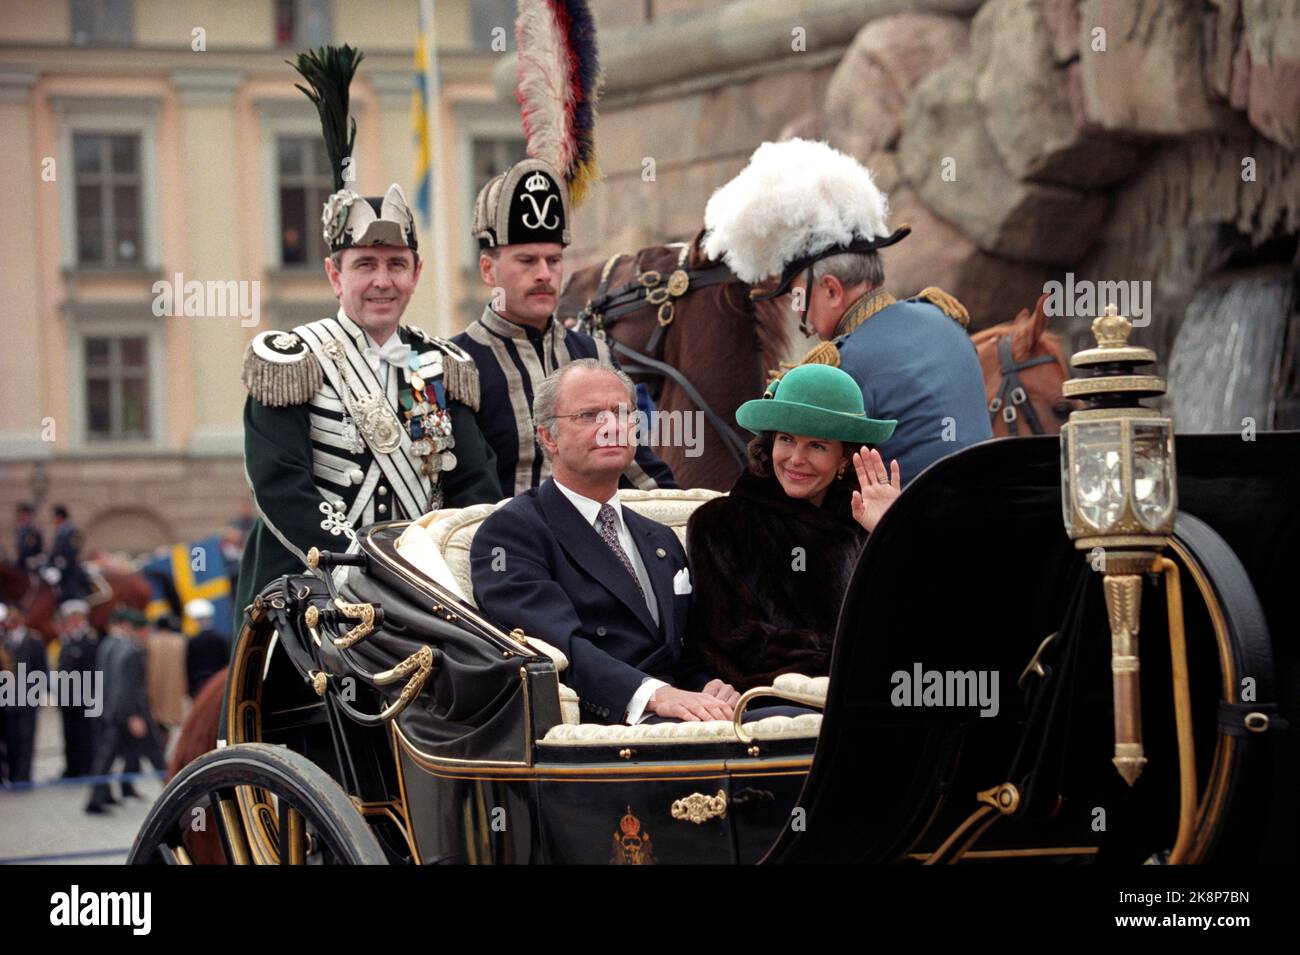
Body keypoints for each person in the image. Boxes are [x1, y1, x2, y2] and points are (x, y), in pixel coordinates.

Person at [234, 46, 501, 623]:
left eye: (396, 265)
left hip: (428, 585)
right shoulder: (292, 363)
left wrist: (449, 566)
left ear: (416, 274)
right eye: (364, 266)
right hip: (316, 586)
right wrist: (359, 567)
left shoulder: (442, 366)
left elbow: (474, 486)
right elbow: (283, 490)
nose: (382, 282)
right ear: (335, 274)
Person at [702, 138, 992, 486]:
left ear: (831, 289)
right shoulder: (944, 318)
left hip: (910, 530)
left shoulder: (841, 366)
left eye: (798, 296)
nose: (801, 316)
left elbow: (803, 478)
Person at [471, 360, 734, 725]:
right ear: (548, 436)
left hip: (679, 713)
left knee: (807, 723)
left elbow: (684, 654)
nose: (610, 427)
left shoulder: (658, 537)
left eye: (621, 413)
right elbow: (558, 648)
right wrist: (653, 695)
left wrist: (711, 687)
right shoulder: (511, 533)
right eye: (589, 415)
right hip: (605, 725)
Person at [452, 157, 676, 496]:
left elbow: (639, 468)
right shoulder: (457, 363)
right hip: (505, 545)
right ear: (487, 269)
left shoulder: (594, 353)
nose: (544, 273)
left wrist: (686, 523)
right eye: (527, 260)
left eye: (553, 260)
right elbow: (469, 492)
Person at [686, 365, 901, 691]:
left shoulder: (863, 519)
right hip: (778, 703)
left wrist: (890, 534)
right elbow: (740, 644)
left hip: (872, 694)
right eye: (786, 439)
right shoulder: (720, 524)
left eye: (817, 445)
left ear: (844, 457)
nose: (796, 459)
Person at [86, 608, 163, 813]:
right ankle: (176, 794)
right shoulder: (131, 650)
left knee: (111, 755)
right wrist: (133, 715)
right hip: (130, 712)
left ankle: (100, 796)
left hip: (112, 710)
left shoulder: (108, 645)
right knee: (156, 754)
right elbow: (129, 686)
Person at [1, 602, 45, 784]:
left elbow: (41, 669)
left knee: (26, 741)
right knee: (11, 741)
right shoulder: (5, 641)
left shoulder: (33, 640)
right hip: (7, 700)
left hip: (27, 700)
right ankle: (11, 775)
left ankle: (23, 777)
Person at [55, 599, 97, 778]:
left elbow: (93, 670)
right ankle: (72, 766)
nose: (70, 622)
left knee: (85, 735)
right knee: (69, 733)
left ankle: (85, 767)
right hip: (67, 699)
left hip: (84, 698)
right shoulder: (68, 641)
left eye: (74, 618)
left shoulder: (89, 641)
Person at [184, 599, 228, 699]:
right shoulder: (221, 639)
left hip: (200, 685)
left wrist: (190, 690)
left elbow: (190, 667)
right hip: (220, 685)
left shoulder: (193, 642)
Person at [47, 504, 91, 601]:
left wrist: (60, 565)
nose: (52, 520)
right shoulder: (59, 531)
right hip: (59, 568)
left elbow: (73, 552)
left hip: (70, 569)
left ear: (60, 517)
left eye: (54, 517)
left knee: (71, 591)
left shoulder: (72, 531)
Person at [13, 502, 43, 573]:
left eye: (23, 515)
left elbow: (29, 548)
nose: (20, 517)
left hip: (31, 565)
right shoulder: (20, 530)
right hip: (21, 563)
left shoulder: (32, 531)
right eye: (19, 515)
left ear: (28, 516)